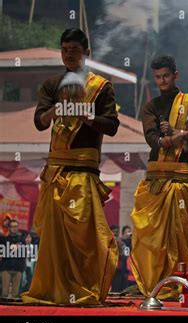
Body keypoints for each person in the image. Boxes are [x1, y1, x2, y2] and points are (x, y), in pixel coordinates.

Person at [22, 28, 119, 305]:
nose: (69, 55)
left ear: (87, 52)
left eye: (75, 50)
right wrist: (56, 110)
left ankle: (85, 289)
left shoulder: (101, 86)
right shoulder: (53, 84)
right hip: (55, 172)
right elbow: (39, 122)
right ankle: (55, 291)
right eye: (65, 50)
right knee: (54, 239)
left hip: (84, 172)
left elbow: (111, 126)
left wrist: (88, 117)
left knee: (84, 238)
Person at [130, 55, 188, 299]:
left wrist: (178, 133)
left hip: (180, 177)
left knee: (178, 232)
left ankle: (180, 284)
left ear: (175, 75)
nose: (162, 81)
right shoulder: (151, 106)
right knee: (152, 234)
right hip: (156, 176)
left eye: (166, 76)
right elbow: (151, 139)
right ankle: (155, 284)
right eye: (158, 77)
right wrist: (169, 139)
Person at [1, 220, 26, 298]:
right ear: (9, 228)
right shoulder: (4, 239)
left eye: (16, 226)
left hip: (18, 268)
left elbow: (24, 254)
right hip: (6, 267)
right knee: (4, 293)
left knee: (15, 294)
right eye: (12, 226)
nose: (14, 228)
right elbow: (2, 253)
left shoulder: (22, 240)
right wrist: (11, 248)